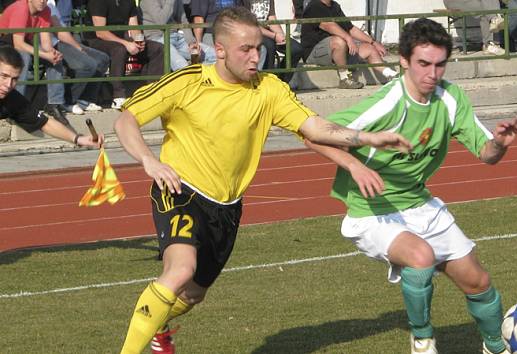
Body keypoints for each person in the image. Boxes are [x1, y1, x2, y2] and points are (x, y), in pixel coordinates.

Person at [113, 7, 411, 354]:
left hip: (226, 207)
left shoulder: (269, 89)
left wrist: (368, 138)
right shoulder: (187, 83)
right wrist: (149, 161)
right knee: (180, 270)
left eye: (258, 47)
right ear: (220, 49)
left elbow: (316, 128)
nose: (256, 56)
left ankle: (157, 323)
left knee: (193, 293)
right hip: (180, 190)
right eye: (246, 49)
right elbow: (126, 120)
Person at [305, 18, 517, 354]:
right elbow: (313, 133)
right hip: (373, 211)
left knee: (478, 282)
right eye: (423, 64)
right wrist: (354, 164)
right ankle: (422, 341)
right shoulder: (389, 102)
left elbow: (486, 155)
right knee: (420, 259)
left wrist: (500, 144)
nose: (432, 74)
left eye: (439, 65)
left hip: (420, 205)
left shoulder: (451, 99)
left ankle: (496, 347)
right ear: (404, 60)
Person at [0, 45, 102, 148]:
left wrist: (78, 139)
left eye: (14, 79)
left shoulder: (12, 98)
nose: (8, 85)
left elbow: (45, 123)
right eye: (4, 76)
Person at [0, 0, 72, 127]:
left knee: (55, 61)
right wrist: (45, 54)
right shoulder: (21, 8)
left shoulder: (46, 10)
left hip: (23, 44)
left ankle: (54, 104)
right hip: (5, 44)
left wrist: (53, 54)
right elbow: (18, 44)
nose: (42, 1)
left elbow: (45, 42)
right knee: (24, 58)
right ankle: (15, 107)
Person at [84, 0, 164, 110]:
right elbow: (100, 32)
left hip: (121, 40)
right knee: (119, 50)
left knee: (158, 48)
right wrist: (126, 43)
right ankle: (118, 96)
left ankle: (151, 90)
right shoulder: (98, 2)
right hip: (95, 41)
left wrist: (138, 40)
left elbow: (134, 26)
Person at [301, 0, 398, 89]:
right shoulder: (314, 6)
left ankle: (391, 75)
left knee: (369, 48)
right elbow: (328, 25)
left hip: (338, 50)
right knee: (339, 41)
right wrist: (348, 38)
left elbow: (350, 28)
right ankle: (344, 79)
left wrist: (374, 42)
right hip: (314, 52)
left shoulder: (334, 6)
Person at [47, 0, 109, 114]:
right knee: (88, 64)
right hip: (54, 43)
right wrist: (78, 48)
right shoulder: (46, 3)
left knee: (102, 59)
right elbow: (59, 32)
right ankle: (68, 101)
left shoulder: (57, 2)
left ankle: (85, 100)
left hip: (65, 39)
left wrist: (78, 46)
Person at [140, 0, 216, 71]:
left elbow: (183, 21)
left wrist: (191, 42)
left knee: (215, 55)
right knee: (183, 66)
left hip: (178, 38)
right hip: (158, 38)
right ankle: (193, 76)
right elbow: (161, 22)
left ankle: (197, 75)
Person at [240, 0, 304, 83]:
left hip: (269, 32)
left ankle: (281, 82)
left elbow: (272, 18)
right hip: (252, 32)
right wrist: (274, 36)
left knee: (296, 49)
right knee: (269, 46)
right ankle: (266, 81)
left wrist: (280, 34)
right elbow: (249, 23)